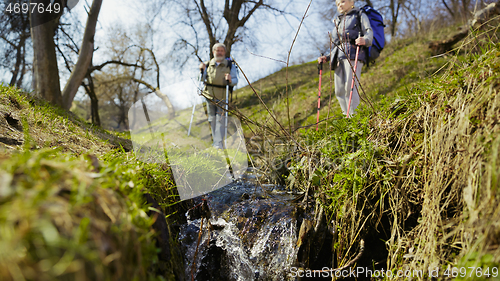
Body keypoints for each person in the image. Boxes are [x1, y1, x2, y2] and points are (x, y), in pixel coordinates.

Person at [319, 0, 373, 117]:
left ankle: (354, 117)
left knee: (351, 87)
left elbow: (368, 31)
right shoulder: (338, 20)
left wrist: (365, 40)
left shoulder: (359, 14)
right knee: (339, 90)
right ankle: (347, 117)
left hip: (354, 54)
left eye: (343, 1)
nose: (340, 5)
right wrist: (327, 57)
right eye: (338, 4)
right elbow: (337, 44)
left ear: (351, 1)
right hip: (338, 58)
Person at [199, 43, 238, 149]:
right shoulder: (207, 64)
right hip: (209, 96)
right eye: (217, 50)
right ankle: (216, 142)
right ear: (213, 52)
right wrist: (201, 71)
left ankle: (218, 144)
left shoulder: (230, 65)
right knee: (212, 119)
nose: (219, 52)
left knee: (220, 120)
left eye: (221, 50)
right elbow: (202, 79)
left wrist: (230, 79)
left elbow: (235, 81)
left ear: (224, 52)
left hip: (222, 96)